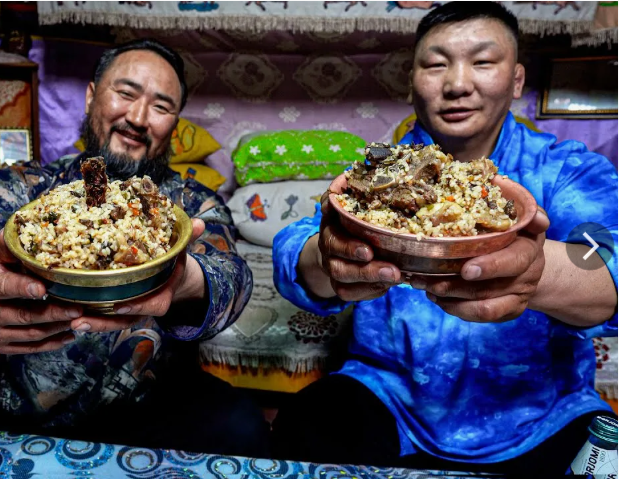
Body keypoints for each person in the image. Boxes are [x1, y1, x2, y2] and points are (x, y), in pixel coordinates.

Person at [271, 2, 618, 475]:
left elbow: (609, 259)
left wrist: (533, 273)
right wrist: (329, 257)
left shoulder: (566, 169)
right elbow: (294, 250)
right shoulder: (374, 175)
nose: (457, 84)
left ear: (517, 80)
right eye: (436, 65)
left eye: (482, 61)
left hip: (543, 412)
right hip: (388, 398)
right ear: (411, 81)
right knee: (303, 428)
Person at [0, 39, 269, 457]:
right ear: (91, 97)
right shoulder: (25, 188)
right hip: (21, 405)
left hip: (152, 407)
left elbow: (232, 277)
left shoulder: (192, 203)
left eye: (161, 107)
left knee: (243, 425)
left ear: (174, 125)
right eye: (125, 93)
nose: (138, 118)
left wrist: (185, 280)